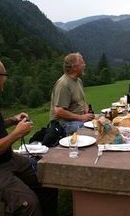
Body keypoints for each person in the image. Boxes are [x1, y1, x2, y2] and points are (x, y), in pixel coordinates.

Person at [0, 61, 41, 215]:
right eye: (4, 76)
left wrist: (12, 120)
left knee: (45, 175)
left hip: (9, 158)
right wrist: (16, 133)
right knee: (28, 204)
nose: (5, 81)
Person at [50, 52, 95, 135]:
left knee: (101, 122)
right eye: (82, 63)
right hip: (64, 124)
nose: (84, 65)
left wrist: (87, 110)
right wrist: (81, 117)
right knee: (90, 130)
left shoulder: (78, 81)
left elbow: (81, 101)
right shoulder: (63, 84)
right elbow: (59, 111)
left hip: (78, 120)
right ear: (74, 67)